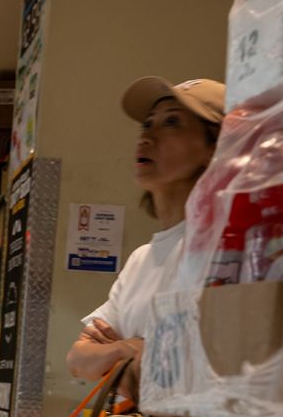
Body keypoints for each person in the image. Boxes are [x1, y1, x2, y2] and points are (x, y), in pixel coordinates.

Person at [67, 77, 224, 395]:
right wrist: (127, 349)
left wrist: (114, 360)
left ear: (215, 149)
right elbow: (77, 359)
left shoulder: (221, 246)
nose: (147, 136)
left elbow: (184, 377)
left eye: (172, 122)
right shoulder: (141, 259)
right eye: (147, 124)